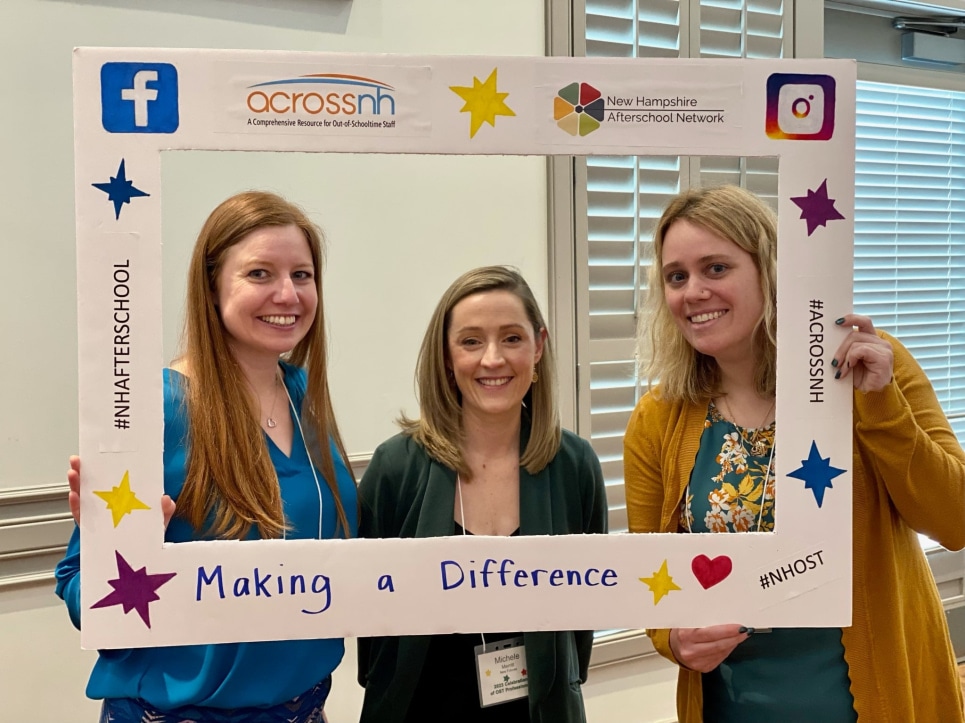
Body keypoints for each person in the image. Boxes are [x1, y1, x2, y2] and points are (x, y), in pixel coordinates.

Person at [623, 184, 965, 722]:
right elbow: (651, 573)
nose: (693, 292)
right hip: (734, 706)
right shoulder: (658, 418)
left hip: (876, 699)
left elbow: (955, 519)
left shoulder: (870, 368)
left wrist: (881, 409)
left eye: (716, 268)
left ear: (770, 271)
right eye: (676, 276)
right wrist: (671, 637)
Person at [55, 191, 358, 723]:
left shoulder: (304, 395)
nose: (287, 294)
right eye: (260, 274)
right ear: (212, 283)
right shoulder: (155, 411)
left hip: (305, 709)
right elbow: (85, 597)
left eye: (303, 275)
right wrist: (116, 559)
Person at [356, 266, 607, 722]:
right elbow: (372, 620)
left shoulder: (575, 466)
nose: (492, 359)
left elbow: (583, 615)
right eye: (471, 341)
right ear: (447, 358)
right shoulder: (394, 467)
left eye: (512, 338)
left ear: (539, 347)